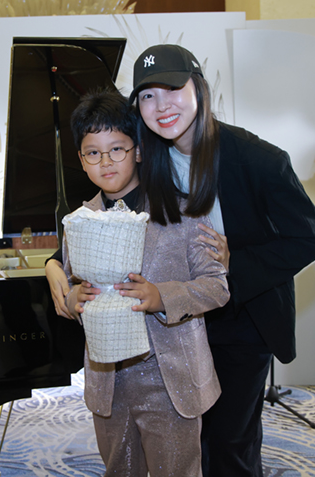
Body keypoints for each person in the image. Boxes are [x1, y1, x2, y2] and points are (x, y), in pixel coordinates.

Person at [128, 44, 315, 477]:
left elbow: (308, 237)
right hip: (175, 321)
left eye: (172, 89)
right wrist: (54, 263)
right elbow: (103, 212)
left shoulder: (257, 158)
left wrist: (235, 258)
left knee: (230, 442)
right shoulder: (144, 160)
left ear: (198, 88)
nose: (161, 106)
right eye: (147, 96)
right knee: (184, 437)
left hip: (241, 318)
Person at [54, 88, 230, 477]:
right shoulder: (78, 222)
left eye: (117, 149)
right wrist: (73, 298)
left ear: (137, 151)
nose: (106, 162)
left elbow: (217, 286)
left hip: (170, 380)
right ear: (81, 160)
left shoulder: (184, 210)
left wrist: (161, 295)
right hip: (108, 382)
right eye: (93, 153)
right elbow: (69, 290)